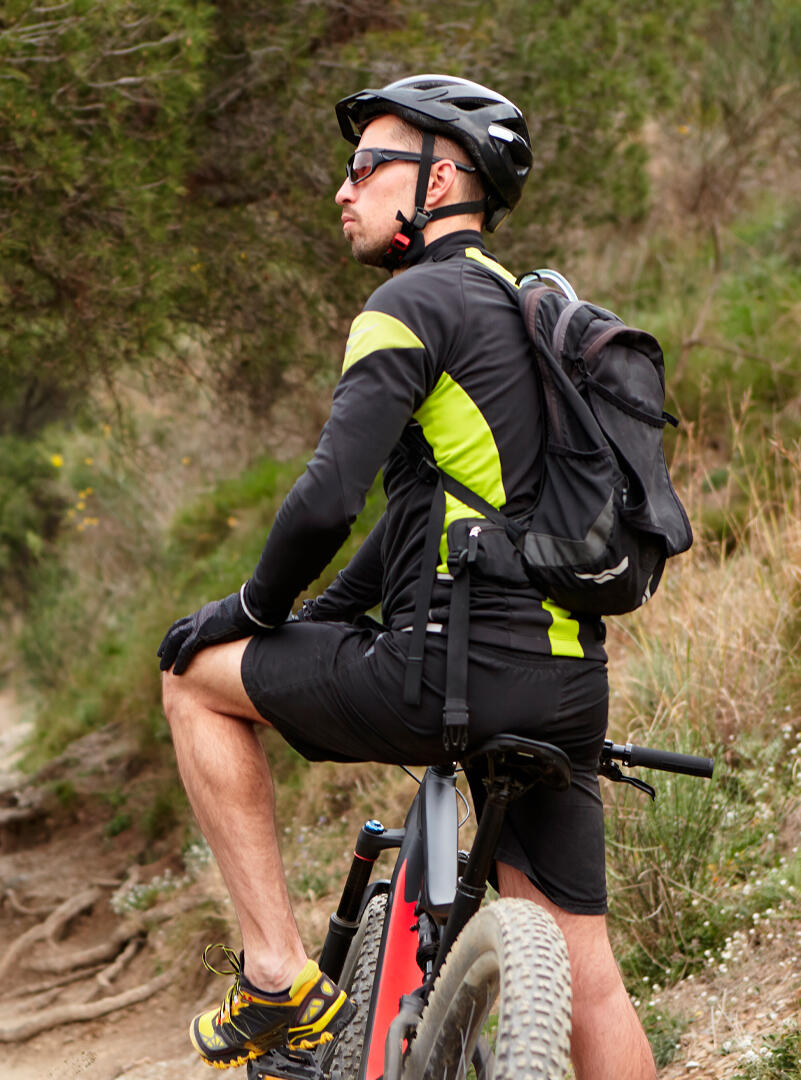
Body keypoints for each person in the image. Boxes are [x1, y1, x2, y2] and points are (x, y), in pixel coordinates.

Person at [157, 75, 655, 1079]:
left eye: (366, 165)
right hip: (567, 687)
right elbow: (418, 519)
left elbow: (327, 498)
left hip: (442, 675)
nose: (343, 190)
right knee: (586, 970)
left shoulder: (410, 301)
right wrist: (324, 616)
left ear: (441, 179)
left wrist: (249, 614)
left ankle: (277, 976)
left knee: (192, 684)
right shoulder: (518, 318)